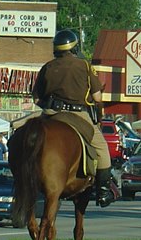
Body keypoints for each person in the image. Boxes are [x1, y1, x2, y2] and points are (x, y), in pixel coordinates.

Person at [33, 28, 118, 207]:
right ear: (74, 48)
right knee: (102, 149)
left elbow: (36, 98)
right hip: (77, 114)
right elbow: (97, 98)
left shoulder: (47, 67)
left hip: (50, 114)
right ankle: (103, 191)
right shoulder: (84, 65)